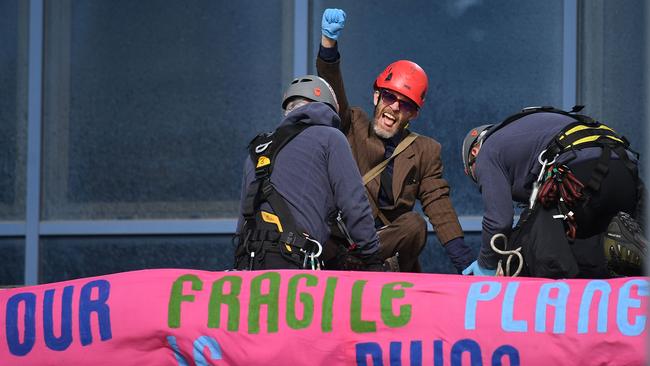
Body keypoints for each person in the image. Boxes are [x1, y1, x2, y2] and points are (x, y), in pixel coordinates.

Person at [316, 8, 473, 273]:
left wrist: (465, 260)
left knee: (415, 224)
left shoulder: (425, 150)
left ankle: (364, 263)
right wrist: (328, 46)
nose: (394, 108)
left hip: (386, 250)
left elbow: (438, 203)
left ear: (413, 114)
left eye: (406, 104)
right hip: (342, 241)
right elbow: (334, 93)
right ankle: (352, 261)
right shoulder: (352, 124)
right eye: (389, 97)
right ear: (376, 96)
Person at [461, 106, 645, 278]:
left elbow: (498, 221)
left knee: (527, 246)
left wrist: (486, 266)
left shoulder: (487, 151)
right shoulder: (532, 130)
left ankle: (558, 302)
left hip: (578, 177)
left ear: (475, 152)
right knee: (581, 244)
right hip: (626, 174)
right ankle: (618, 252)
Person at [234, 75, 384, 271]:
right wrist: (372, 258)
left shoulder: (258, 149)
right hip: (292, 264)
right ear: (328, 108)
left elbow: (241, 224)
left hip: (247, 265)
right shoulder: (330, 138)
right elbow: (354, 204)